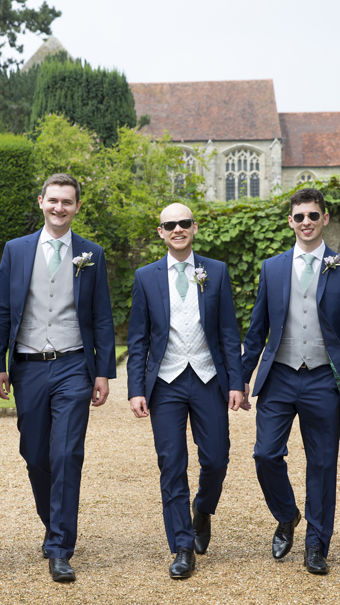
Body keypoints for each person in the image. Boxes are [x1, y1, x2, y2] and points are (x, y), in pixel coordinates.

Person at [0, 173, 116, 583]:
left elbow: (101, 315)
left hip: (72, 365)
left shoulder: (91, 254)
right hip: (27, 364)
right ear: (41, 201)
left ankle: (61, 546)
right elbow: (3, 311)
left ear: (77, 207)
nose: (60, 208)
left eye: (68, 202)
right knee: (35, 454)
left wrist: (102, 371)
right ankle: (51, 521)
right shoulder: (16, 249)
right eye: (53, 200)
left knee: (66, 455)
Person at [240, 187, 340, 575]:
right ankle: (287, 513)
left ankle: (316, 545)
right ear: (290, 221)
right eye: (299, 217)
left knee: (323, 464)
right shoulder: (272, 267)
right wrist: (241, 378)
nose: (306, 222)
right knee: (265, 454)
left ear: (324, 219)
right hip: (278, 376)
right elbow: (257, 328)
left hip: (323, 380)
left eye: (313, 216)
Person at [126, 203, 244, 579]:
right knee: (171, 463)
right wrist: (135, 389)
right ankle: (181, 545)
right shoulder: (146, 277)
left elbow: (228, 331)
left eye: (183, 223)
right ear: (160, 231)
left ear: (194, 227)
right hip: (165, 383)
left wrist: (237, 382)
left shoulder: (216, 271)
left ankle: (202, 510)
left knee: (216, 459)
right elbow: (138, 338)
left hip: (209, 378)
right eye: (169, 224)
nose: (177, 229)